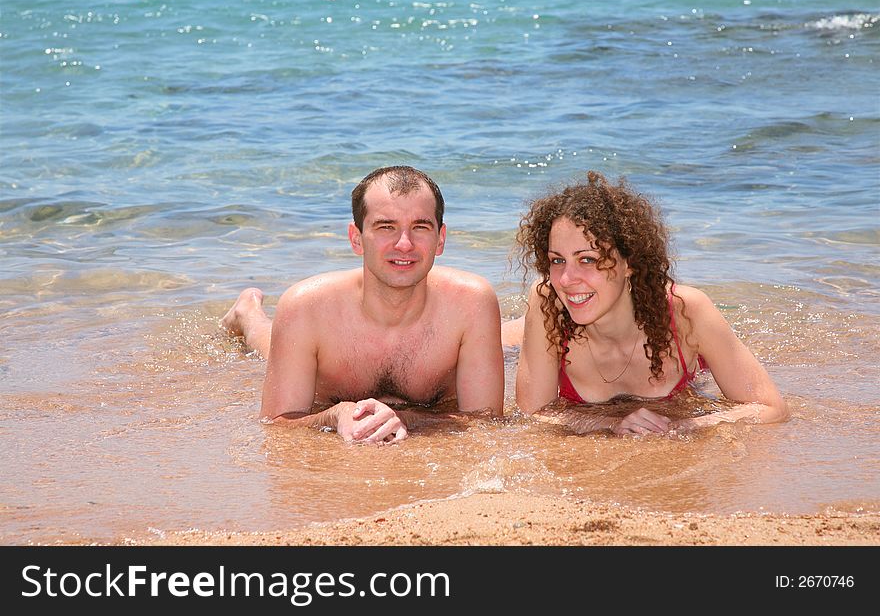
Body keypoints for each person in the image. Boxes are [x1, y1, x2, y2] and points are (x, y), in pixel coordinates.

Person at [221, 166, 504, 443]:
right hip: (313, 331)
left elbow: (487, 421)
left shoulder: (470, 303)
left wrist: (406, 419)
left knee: (510, 341)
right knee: (269, 343)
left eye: (420, 226)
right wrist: (335, 415)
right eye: (386, 227)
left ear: (440, 239)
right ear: (356, 238)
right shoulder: (306, 307)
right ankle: (247, 314)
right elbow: (275, 424)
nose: (404, 244)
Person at [511, 170, 789, 435]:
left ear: (628, 262)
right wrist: (610, 424)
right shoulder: (548, 301)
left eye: (588, 260)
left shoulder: (687, 311)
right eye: (557, 260)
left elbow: (771, 408)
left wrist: (685, 427)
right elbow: (532, 414)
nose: (567, 278)